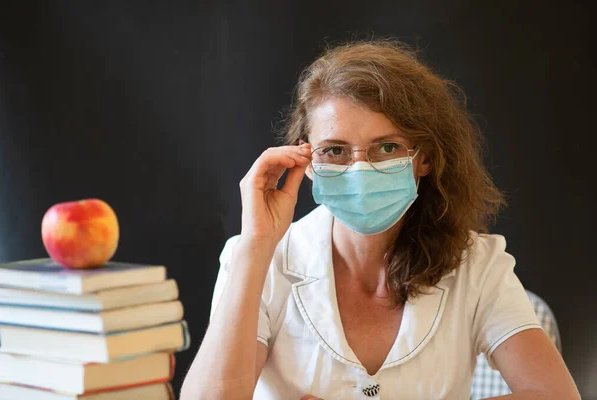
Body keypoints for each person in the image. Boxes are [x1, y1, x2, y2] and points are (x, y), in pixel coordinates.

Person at [180, 39, 580, 399]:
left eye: (386, 147)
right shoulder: (257, 261)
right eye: (335, 150)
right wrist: (255, 246)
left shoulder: (477, 265)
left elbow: (556, 395)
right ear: (307, 163)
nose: (359, 171)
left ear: (423, 158)